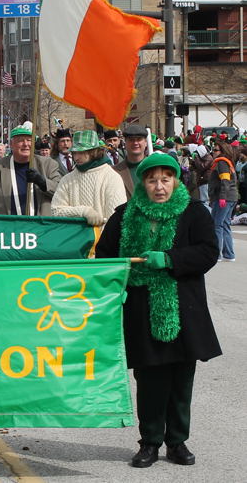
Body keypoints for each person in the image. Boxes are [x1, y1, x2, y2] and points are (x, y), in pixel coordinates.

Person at [96, 153, 221, 469]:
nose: (159, 186)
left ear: (176, 181)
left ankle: (177, 442)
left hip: (184, 310)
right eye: (152, 179)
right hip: (141, 309)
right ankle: (149, 443)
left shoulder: (193, 212)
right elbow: (105, 257)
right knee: (150, 381)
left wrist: (169, 259)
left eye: (166, 179)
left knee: (181, 381)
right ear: (143, 183)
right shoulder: (124, 215)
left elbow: (208, 251)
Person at [0, 123, 61, 216]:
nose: (26, 144)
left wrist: (43, 183)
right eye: (21, 141)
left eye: (29, 140)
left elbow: (62, 193)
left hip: (40, 228)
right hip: (8, 228)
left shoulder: (48, 165)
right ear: (11, 144)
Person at [51, 130, 126, 228]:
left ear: (93, 152)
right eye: (74, 153)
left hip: (102, 241)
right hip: (74, 241)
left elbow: (116, 218)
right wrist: (83, 211)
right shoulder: (67, 180)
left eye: (81, 153)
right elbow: (55, 211)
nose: (76, 157)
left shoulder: (111, 177)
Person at [209, 140, 237, 262]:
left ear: (222, 151)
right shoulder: (227, 162)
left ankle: (216, 253)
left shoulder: (221, 163)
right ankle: (229, 254)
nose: (213, 152)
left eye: (215, 150)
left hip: (223, 198)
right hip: (231, 197)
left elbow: (225, 180)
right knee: (225, 224)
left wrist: (222, 196)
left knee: (216, 224)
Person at [113, 125, 147, 199]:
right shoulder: (114, 171)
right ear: (125, 144)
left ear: (146, 143)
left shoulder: (154, 168)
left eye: (139, 139)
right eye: (131, 140)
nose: (135, 143)